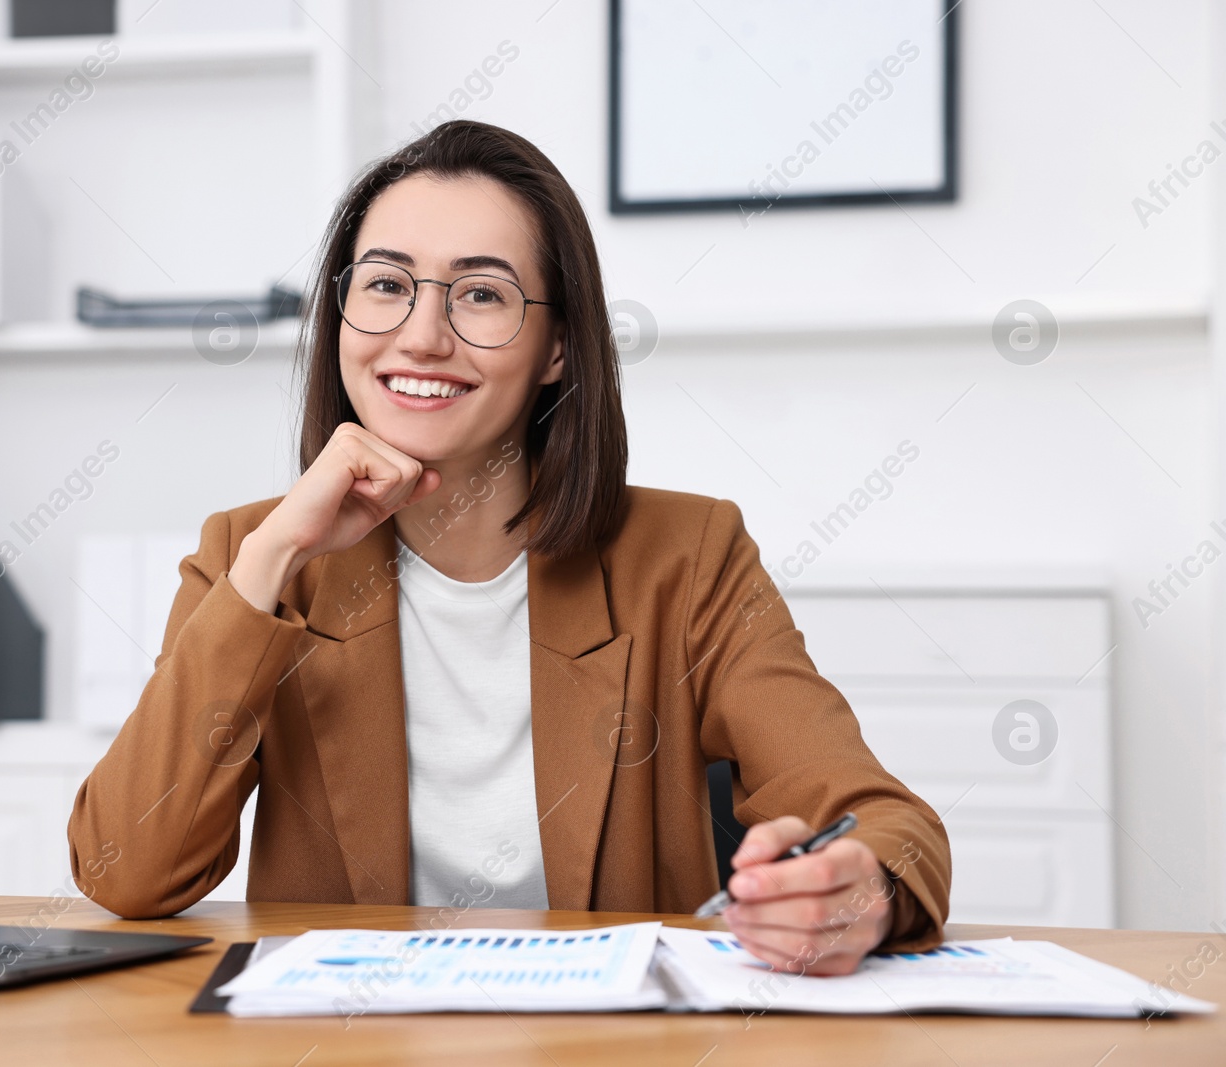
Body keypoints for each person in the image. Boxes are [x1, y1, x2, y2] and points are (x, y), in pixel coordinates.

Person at [67, 119, 950, 976]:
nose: (420, 334)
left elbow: (884, 823)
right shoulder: (250, 552)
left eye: (481, 293)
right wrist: (273, 559)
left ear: (559, 346)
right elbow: (123, 868)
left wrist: (854, 890)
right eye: (385, 284)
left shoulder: (688, 558)